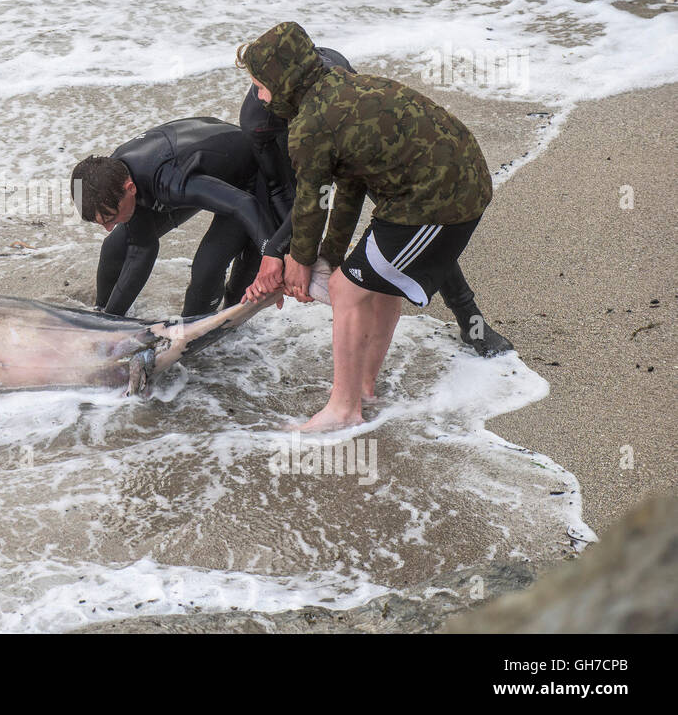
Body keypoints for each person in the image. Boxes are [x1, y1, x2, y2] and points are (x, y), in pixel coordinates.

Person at [237, 21, 506, 431]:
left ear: (281, 79)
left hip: (441, 200)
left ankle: (343, 411)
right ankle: (362, 389)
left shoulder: (311, 124)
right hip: (429, 188)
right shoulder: (338, 87)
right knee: (376, 288)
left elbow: (311, 203)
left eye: (260, 85)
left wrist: (300, 261)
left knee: (348, 289)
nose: (258, 95)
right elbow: (348, 186)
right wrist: (325, 256)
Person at [71, 117, 278, 318]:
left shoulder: (170, 181)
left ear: (130, 188)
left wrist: (272, 254)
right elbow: (143, 248)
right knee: (115, 246)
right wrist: (109, 318)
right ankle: (101, 314)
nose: (108, 227)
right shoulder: (115, 172)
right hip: (203, 172)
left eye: (110, 218)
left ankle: (207, 324)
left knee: (207, 267)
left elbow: (243, 204)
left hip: (251, 182)